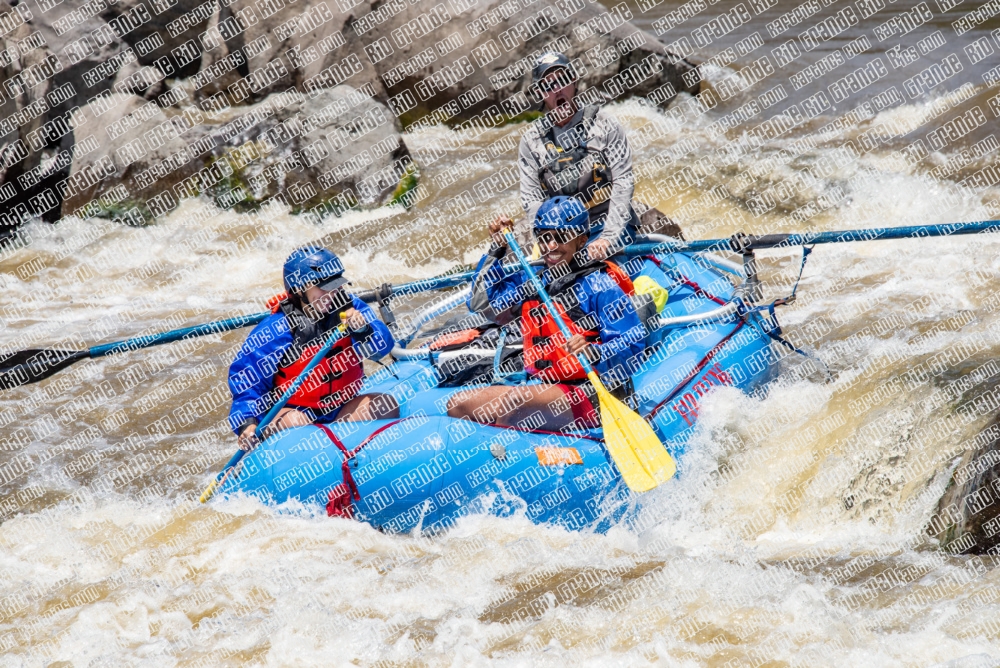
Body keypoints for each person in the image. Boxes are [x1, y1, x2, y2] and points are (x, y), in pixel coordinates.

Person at [451, 197, 647, 431]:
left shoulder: (599, 286)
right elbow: (480, 301)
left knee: (514, 404)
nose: (551, 246)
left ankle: (507, 458)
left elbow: (634, 346)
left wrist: (595, 351)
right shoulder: (532, 281)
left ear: (582, 240)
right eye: (545, 238)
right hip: (541, 385)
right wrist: (497, 248)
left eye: (561, 237)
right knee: (458, 404)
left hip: (592, 390)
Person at [228, 246, 397, 450]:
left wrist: (363, 330)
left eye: (335, 286)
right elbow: (246, 381)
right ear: (299, 289)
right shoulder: (277, 328)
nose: (330, 294)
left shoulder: (351, 307)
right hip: (294, 414)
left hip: (338, 411)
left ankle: (341, 453)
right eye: (322, 287)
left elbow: (382, 348)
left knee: (386, 405)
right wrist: (247, 423)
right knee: (297, 422)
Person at [515, 51, 641, 261]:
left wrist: (608, 238)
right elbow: (531, 200)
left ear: (573, 82)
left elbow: (623, 181)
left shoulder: (606, 125)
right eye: (547, 86)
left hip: (605, 226)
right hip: (562, 235)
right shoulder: (531, 140)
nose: (557, 90)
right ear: (540, 93)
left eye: (562, 80)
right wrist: (548, 239)